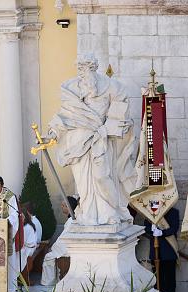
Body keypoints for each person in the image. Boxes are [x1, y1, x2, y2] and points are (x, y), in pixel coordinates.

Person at [47, 54, 137, 226]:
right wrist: (52, 133)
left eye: (84, 68)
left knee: (102, 176)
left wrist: (106, 128)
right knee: (83, 184)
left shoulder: (112, 87)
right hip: (78, 144)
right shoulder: (71, 88)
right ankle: (89, 214)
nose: (81, 72)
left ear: (94, 68)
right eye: (79, 68)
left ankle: (113, 210)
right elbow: (64, 117)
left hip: (101, 141)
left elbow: (120, 114)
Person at [143, 206, 179, 292]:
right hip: (155, 252)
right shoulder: (150, 212)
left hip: (169, 252)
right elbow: (145, 227)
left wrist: (162, 233)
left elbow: (174, 228)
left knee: (169, 281)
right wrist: (151, 229)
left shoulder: (173, 212)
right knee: (158, 281)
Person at [41, 197, 78, 286]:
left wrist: (53, 248)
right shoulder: (71, 220)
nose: (61, 207)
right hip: (67, 247)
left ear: (68, 207)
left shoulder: (71, 221)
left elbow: (63, 240)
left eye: (63, 205)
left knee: (48, 256)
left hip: (68, 249)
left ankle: (49, 282)